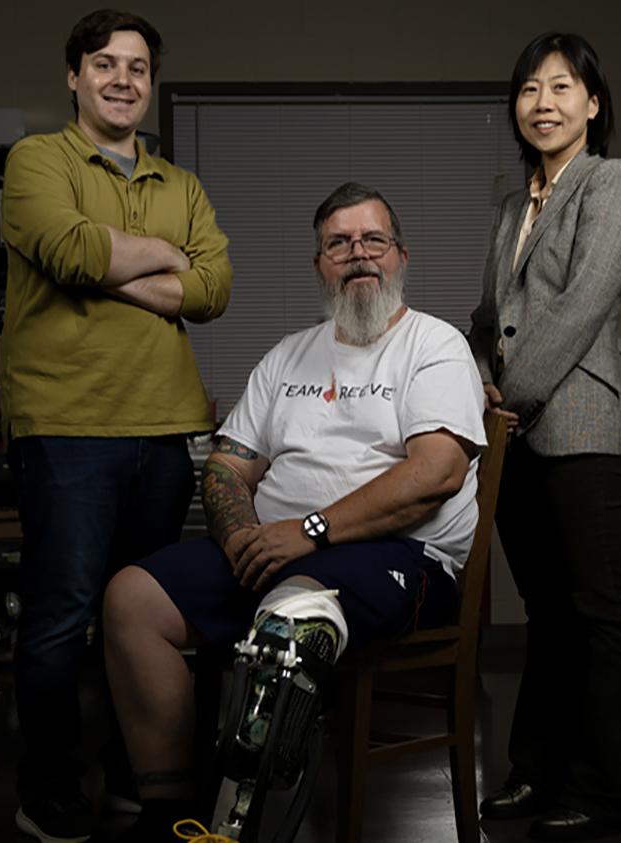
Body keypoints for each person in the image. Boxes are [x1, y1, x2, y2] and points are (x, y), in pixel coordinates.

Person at [101, 183, 487, 842]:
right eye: (338, 243)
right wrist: (242, 537)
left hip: (397, 553)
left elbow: (436, 473)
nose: (357, 254)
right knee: (131, 597)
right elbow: (227, 464)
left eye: (373, 241)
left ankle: (237, 827)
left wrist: (308, 532)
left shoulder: (435, 345)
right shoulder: (287, 356)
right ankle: (169, 814)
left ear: (400, 256)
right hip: (278, 546)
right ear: (318, 264)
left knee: (291, 620)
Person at [0, 9, 232, 843]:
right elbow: (66, 248)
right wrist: (164, 257)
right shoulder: (36, 160)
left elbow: (214, 290)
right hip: (66, 425)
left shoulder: (182, 184)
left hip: (164, 428)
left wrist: (111, 261)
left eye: (137, 66)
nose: (122, 79)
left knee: (143, 611)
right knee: (63, 613)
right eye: (104, 63)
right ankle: (51, 785)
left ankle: (142, 770)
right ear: (74, 76)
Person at [466, 32, 621, 842]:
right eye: (530, 89)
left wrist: (510, 392)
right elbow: (487, 320)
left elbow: (584, 302)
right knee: (547, 614)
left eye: (563, 87)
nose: (544, 102)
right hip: (510, 431)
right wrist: (475, 383)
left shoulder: (611, 182)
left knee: (604, 612)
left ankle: (607, 792)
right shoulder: (512, 206)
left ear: (593, 104)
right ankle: (536, 772)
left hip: (579, 427)